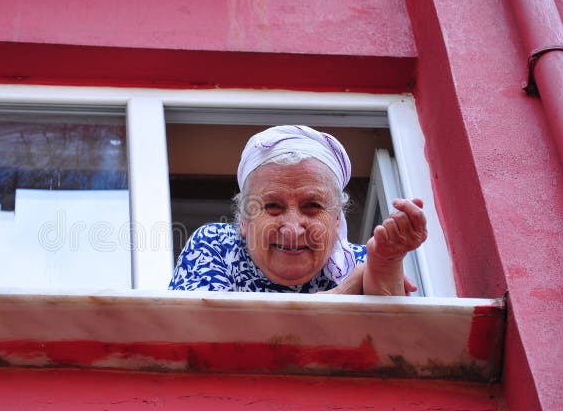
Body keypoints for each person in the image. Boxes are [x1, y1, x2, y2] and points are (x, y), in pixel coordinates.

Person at [168, 125, 427, 295]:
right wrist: (347, 289)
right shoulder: (217, 245)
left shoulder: (364, 260)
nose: (292, 228)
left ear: (337, 220)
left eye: (312, 206)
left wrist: (386, 263)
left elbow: (395, 344)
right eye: (272, 206)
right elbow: (200, 332)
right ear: (244, 221)